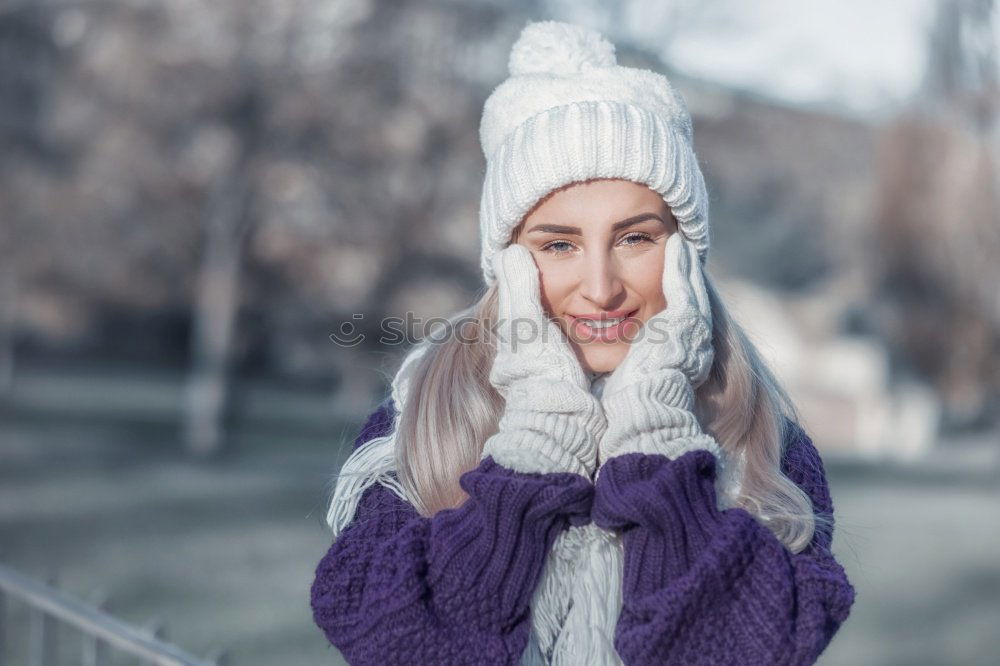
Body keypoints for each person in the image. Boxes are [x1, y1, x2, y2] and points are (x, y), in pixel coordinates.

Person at [310, 20, 855, 666]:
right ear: (507, 263)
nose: (600, 287)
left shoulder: (761, 438)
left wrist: (660, 452)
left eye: (636, 238)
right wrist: (531, 456)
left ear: (685, 254)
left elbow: (750, 649)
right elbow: (393, 647)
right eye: (558, 245)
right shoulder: (420, 421)